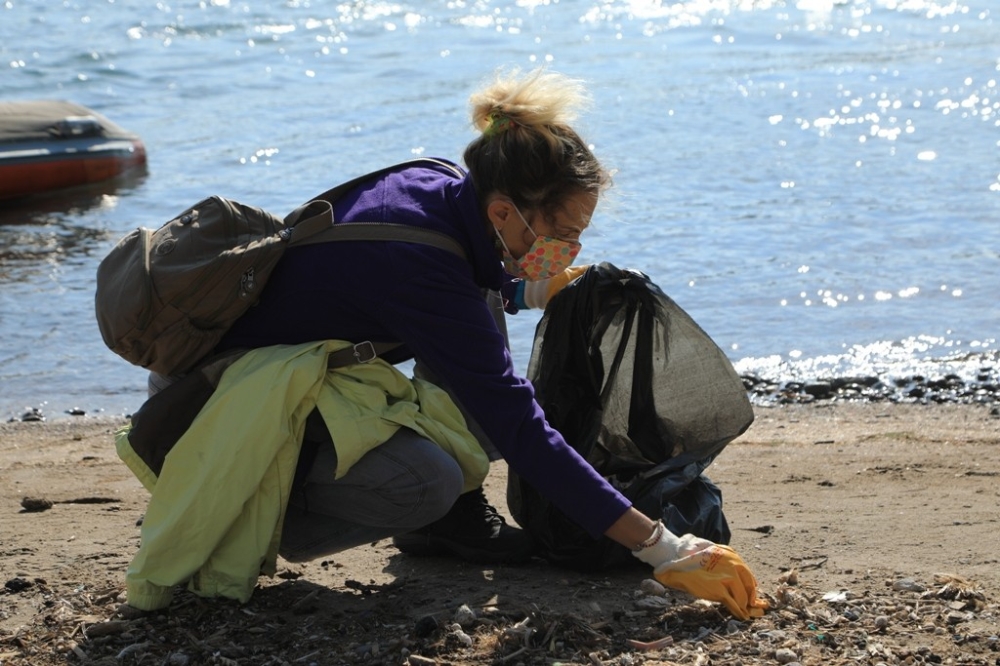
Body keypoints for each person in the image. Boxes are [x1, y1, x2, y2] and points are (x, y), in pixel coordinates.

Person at [133, 68, 767, 620]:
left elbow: (455, 299)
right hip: (216, 407)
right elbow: (520, 428)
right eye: (564, 235)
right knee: (426, 480)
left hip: (294, 371)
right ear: (503, 214)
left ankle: (448, 523)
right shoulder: (416, 262)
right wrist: (661, 546)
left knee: (486, 350)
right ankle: (270, 516)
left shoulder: (439, 184)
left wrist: (531, 294)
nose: (570, 253)